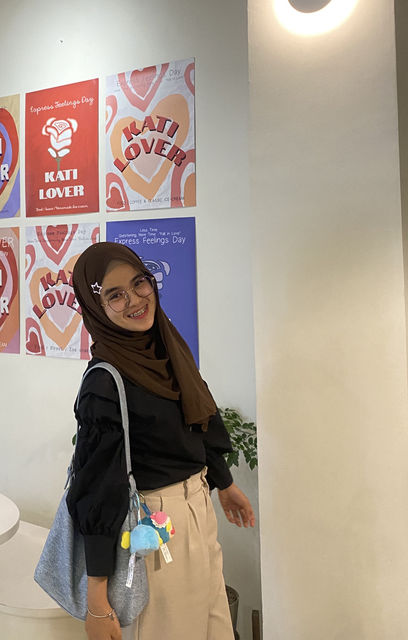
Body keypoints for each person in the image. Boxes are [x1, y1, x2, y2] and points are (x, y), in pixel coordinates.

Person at [67, 242, 255, 640]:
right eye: (115, 295)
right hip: (153, 529)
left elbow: (196, 421)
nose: (135, 300)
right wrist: (97, 601)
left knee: (215, 630)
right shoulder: (104, 383)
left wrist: (223, 483)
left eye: (139, 283)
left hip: (199, 508)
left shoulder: (167, 349)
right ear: (96, 308)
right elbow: (98, 488)